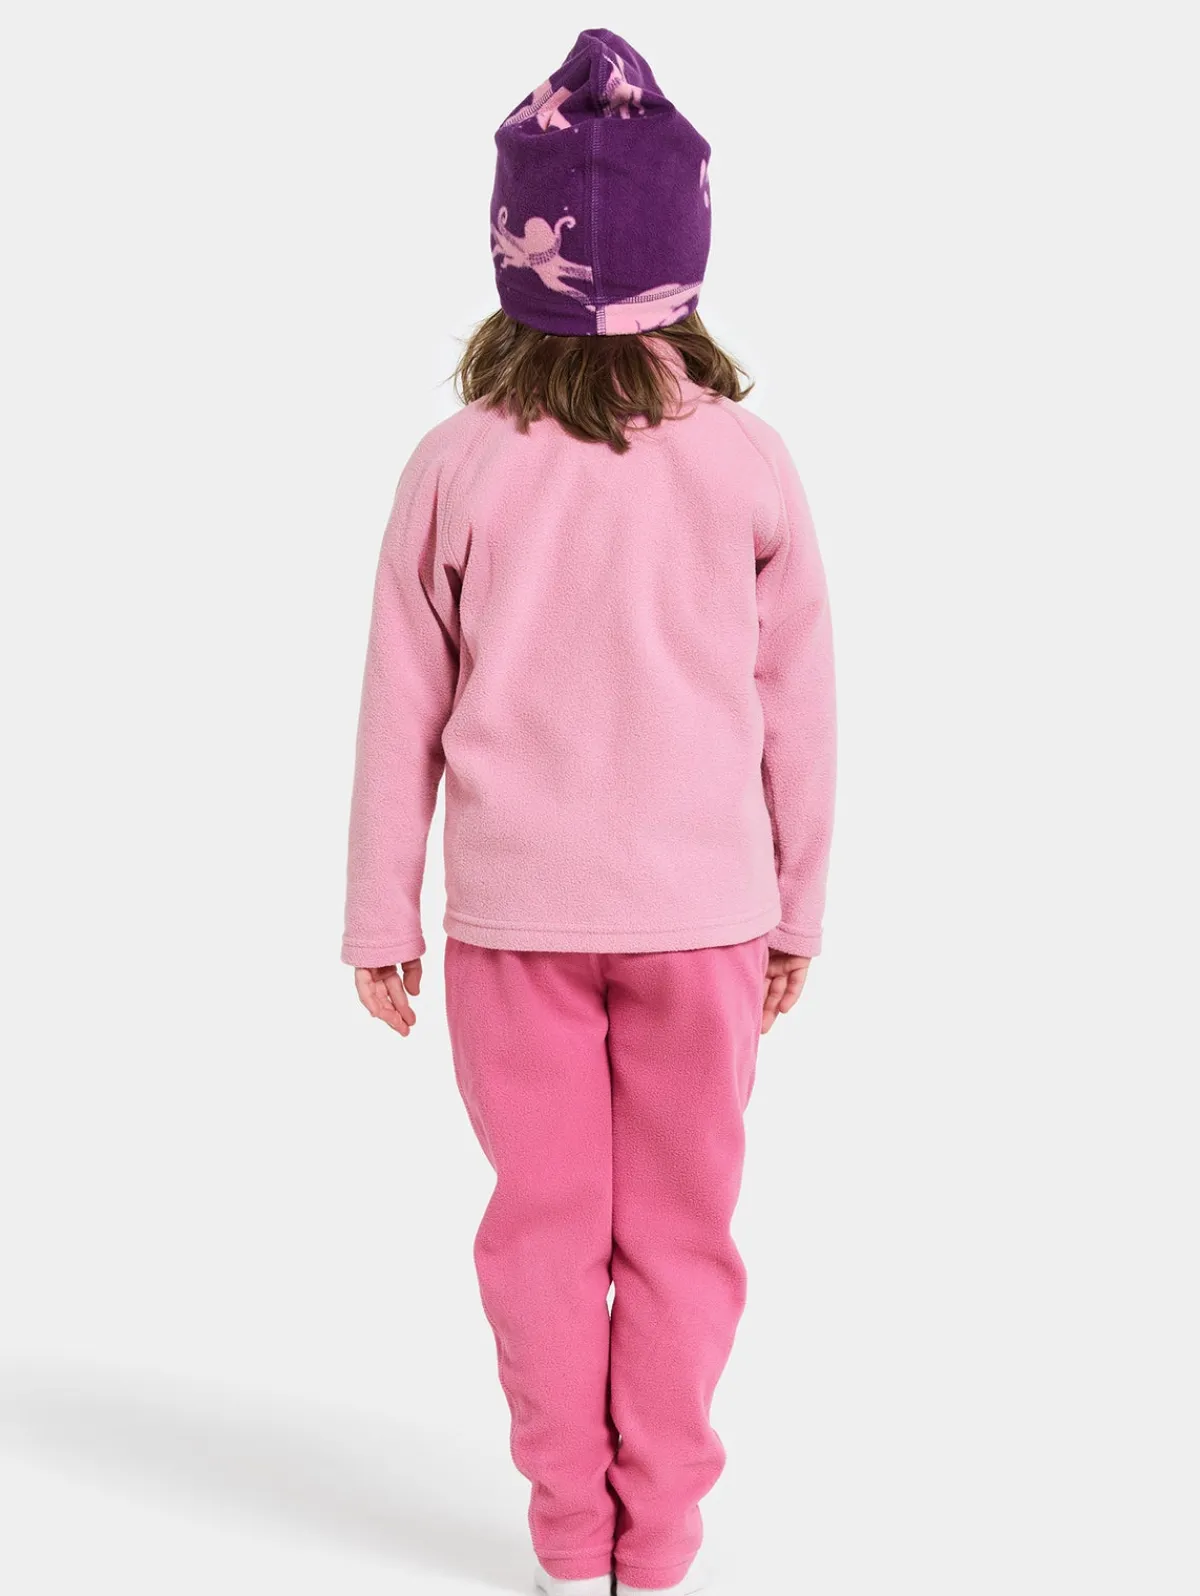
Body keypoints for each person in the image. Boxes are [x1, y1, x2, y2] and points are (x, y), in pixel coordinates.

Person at [342, 29, 835, 1596]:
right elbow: (801, 710)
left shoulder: (455, 466)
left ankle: (571, 1535)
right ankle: (659, 1539)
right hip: (705, 921)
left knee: (543, 1233)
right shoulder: (748, 465)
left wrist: (379, 915)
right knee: (683, 1236)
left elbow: (401, 705)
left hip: (514, 929)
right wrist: (798, 908)